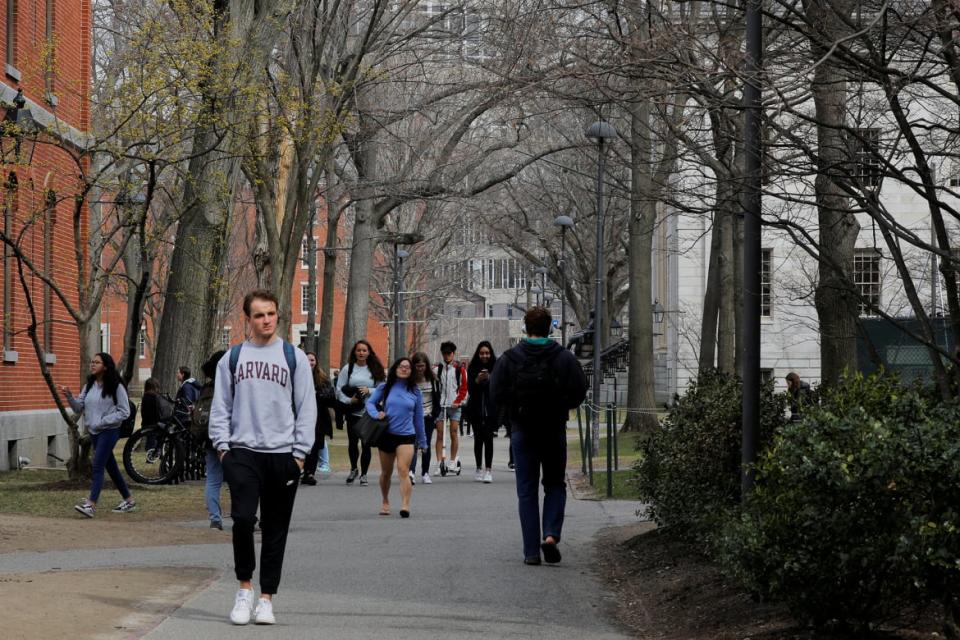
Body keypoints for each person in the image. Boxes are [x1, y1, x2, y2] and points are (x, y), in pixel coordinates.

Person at [209, 289, 317, 625]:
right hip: (242, 453)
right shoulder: (233, 358)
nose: (265, 320)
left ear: (278, 316)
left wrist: (299, 456)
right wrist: (223, 448)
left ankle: (266, 597)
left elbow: (307, 408)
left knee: (275, 527)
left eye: (270, 314)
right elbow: (220, 406)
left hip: (283, 455)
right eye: (259, 315)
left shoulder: (293, 357)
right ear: (248, 319)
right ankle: (244, 589)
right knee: (242, 519)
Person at [490, 307, 587, 566]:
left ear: (525, 327)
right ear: (550, 328)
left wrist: (511, 411)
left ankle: (531, 551)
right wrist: (561, 404)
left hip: (522, 429)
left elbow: (495, 392)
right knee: (555, 484)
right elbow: (580, 390)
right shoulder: (563, 357)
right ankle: (552, 534)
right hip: (554, 428)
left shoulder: (510, 358)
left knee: (527, 491)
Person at [60, 352, 137, 518]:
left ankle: (91, 505)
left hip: (109, 431)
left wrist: (103, 421)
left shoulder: (116, 386)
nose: (92, 364)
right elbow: (78, 408)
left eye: (97, 362)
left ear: (106, 366)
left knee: (97, 465)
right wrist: (69, 396)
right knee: (111, 467)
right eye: (92, 362)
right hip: (94, 432)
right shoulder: (89, 385)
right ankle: (129, 500)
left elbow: (125, 412)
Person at [366, 357, 428, 518]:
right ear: (395, 369)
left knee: (403, 469)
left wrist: (422, 441)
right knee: (386, 472)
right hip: (386, 435)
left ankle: (405, 505)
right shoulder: (385, 387)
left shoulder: (415, 391)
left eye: (408, 367)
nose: (404, 369)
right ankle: (385, 501)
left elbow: (419, 418)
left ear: (412, 371)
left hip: (407, 436)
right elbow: (370, 403)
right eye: (401, 366)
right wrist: (376, 413)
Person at [336, 340, 386, 486]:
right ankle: (353, 469)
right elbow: (338, 390)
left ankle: (364, 474)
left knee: (366, 444)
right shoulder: (348, 368)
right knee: (353, 442)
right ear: (354, 352)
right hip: (353, 412)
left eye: (364, 350)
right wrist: (348, 400)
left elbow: (383, 388)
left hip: (369, 412)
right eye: (359, 350)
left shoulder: (375, 369)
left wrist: (369, 390)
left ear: (369, 352)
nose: (361, 353)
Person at [198, 350, 226, 529]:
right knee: (240, 479)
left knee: (213, 479)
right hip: (231, 439)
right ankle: (246, 516)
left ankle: (215, 518)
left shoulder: (206, 388)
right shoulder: (232, 386)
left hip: (209, 438)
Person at [466, 341, 499, 484]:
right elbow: (471, 390)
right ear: (478, 354)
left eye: (487, 353)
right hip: (476, 410)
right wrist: (477, 380)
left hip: (491, 410)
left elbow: (499, 388)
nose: (485, 356)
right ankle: (478, 467)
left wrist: (490, 378)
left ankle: (489, 470)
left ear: (491, 354)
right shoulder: (472, 368)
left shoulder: (496, 367)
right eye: (482, 353)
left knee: (489, 439)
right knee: (478, 439)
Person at [302, 352, 335, 485]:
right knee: (303, 445)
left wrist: (318, 394)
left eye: (312, 360)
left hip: (318, 417)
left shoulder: (322, 378)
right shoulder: (297, 376)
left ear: (316, 362)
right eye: (307, 360)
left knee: (315, 446)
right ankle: (302, 470)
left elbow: (330, 396)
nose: (310, 363)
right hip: (300, 416)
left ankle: (310, 473)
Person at [435, 341, 467, 476]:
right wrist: (437, 401)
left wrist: (458, 401)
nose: (447, 356)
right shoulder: (438, 369)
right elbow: (436, 388)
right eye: (445, 353)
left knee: (453, 432)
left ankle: (453, 461)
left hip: (455, 405)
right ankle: (438, 463)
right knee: (440, 434)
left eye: (449, 353)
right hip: (441, 405)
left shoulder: (460, 369)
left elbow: (464, 387)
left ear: (453, 354)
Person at [409, 352, 440, 485]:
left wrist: (434, 415)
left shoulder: (433, 380)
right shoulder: (410, 381)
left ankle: (425, 472)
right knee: (413, 445)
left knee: (425, 445)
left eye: (422, 366)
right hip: (413, 417)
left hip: (428, 416)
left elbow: (437, 399)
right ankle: (411, 472)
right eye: (417, 366)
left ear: (426, 366)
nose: (420, 369)